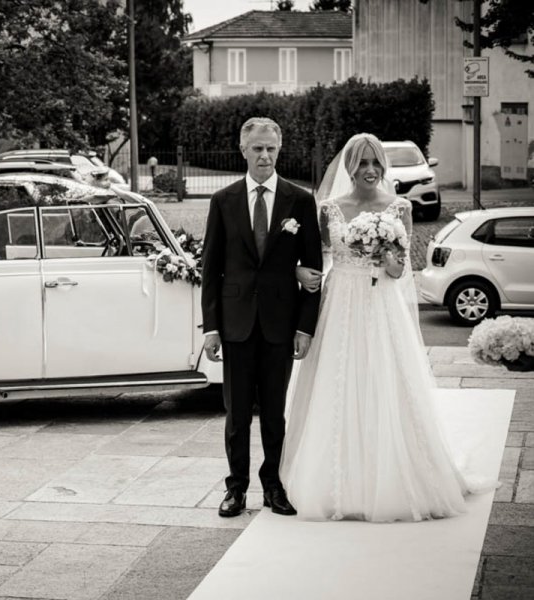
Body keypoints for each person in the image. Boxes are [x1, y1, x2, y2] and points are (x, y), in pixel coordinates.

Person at [280, 133, 473, 522]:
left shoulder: (399, 207)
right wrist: (298, 270)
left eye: (375, 163)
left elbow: (401, 270)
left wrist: (386, 257)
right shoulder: (330, 209)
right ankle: (339, 481)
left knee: (386, 382)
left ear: (382, 167)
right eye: (362, 164)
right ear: (350, 168)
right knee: (339, 384)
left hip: (381, 306)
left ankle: (395, 477)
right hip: (340, 305)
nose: (369, 171)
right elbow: (317, 256)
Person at [201, 117, 324, 518]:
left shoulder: (300, 201)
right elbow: (211, 270)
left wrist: (305, 326)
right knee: (237, 416)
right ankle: (236, 489)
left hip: (279, 325)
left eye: (271, 148)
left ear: (279, 149)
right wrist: (212, 328)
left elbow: (313, 272)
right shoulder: (223, 200)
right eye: (257, 148)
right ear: (243, 150)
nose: (265, 155)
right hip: (235, 325)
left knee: (274, 414)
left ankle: (274, 486)